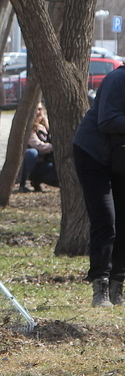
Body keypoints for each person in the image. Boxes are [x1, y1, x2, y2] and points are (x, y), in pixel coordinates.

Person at [73, 61, 125, 308]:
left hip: (121, 158)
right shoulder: (117, 80)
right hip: (94, 155)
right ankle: (100, 287)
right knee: (106, 219)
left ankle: (118, 285)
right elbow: (107, 121)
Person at [19, 103, 58, 193]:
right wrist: (56, 147)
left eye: (40, 109)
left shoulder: (47, 125)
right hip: (30, 164)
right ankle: (23, 184)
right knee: (32, 152)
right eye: (35, 109)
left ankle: (36, 182)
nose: (38, 112)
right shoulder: (28, 127)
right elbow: (38, 146)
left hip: (43, 162)